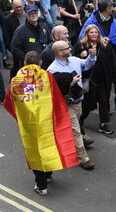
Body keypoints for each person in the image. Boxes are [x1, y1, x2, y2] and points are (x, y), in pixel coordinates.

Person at [4, 51, 79, 195]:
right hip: (47, 120)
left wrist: (20, 116)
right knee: (48, 146)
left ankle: (41, 185)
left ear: (24, 63)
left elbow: (9, 102)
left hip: (29, 124)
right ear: (40, 63)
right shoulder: (47, 76)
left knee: (34, 152)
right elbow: (57, 94)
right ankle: (48, 174)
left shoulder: (16, 81)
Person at [46, 40, 95, 170]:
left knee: (73, 128)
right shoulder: (52, 70)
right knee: (76, 131)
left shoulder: (74, 60)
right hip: (67, 104)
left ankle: (62, 146)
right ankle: (83, 158)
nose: (70, 49)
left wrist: (92, 56)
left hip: (79, 101)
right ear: (59, 52)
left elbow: (86, 65)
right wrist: (71, 82)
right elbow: (53, 90)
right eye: (67, 48)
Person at [77, 23, 116, 136]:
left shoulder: (104, 45)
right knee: (87, 103)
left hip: (103, 78)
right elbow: (74, 60)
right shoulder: (81, 46)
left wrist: (113, 77)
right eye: (92, 32)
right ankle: (80, 120)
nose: (94, 34)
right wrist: (81, 55)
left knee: (104, 101)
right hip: (90, 79)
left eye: (96, 32)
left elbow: (111, 61)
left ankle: (104, 124)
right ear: (87, 34)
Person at [10, 4, 50, 78]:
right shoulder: (20, 30)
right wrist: (27, 59)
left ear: (38, 13)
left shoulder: (44, 26)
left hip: (44, 64)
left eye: (35, 13)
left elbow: (49, 41)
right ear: (26, 14)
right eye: (30, 13)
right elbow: (14, 48)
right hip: (28, 67)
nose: (33, 15)